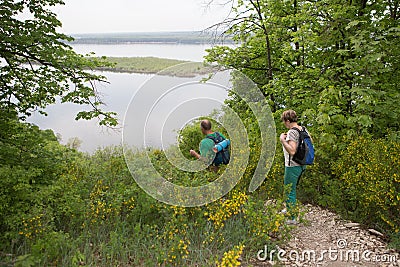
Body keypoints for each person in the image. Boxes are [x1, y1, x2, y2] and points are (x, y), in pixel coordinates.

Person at [279, 110, 308, 225]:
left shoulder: (292, 132)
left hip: (292, 165)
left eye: (284, 122)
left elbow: (292, 150)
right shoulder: (303, 129)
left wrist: (282, 140)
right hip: (302, 164)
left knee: (289, 190)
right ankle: (289, 209)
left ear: (287, 121)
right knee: (292, 188)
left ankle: (292, 217)